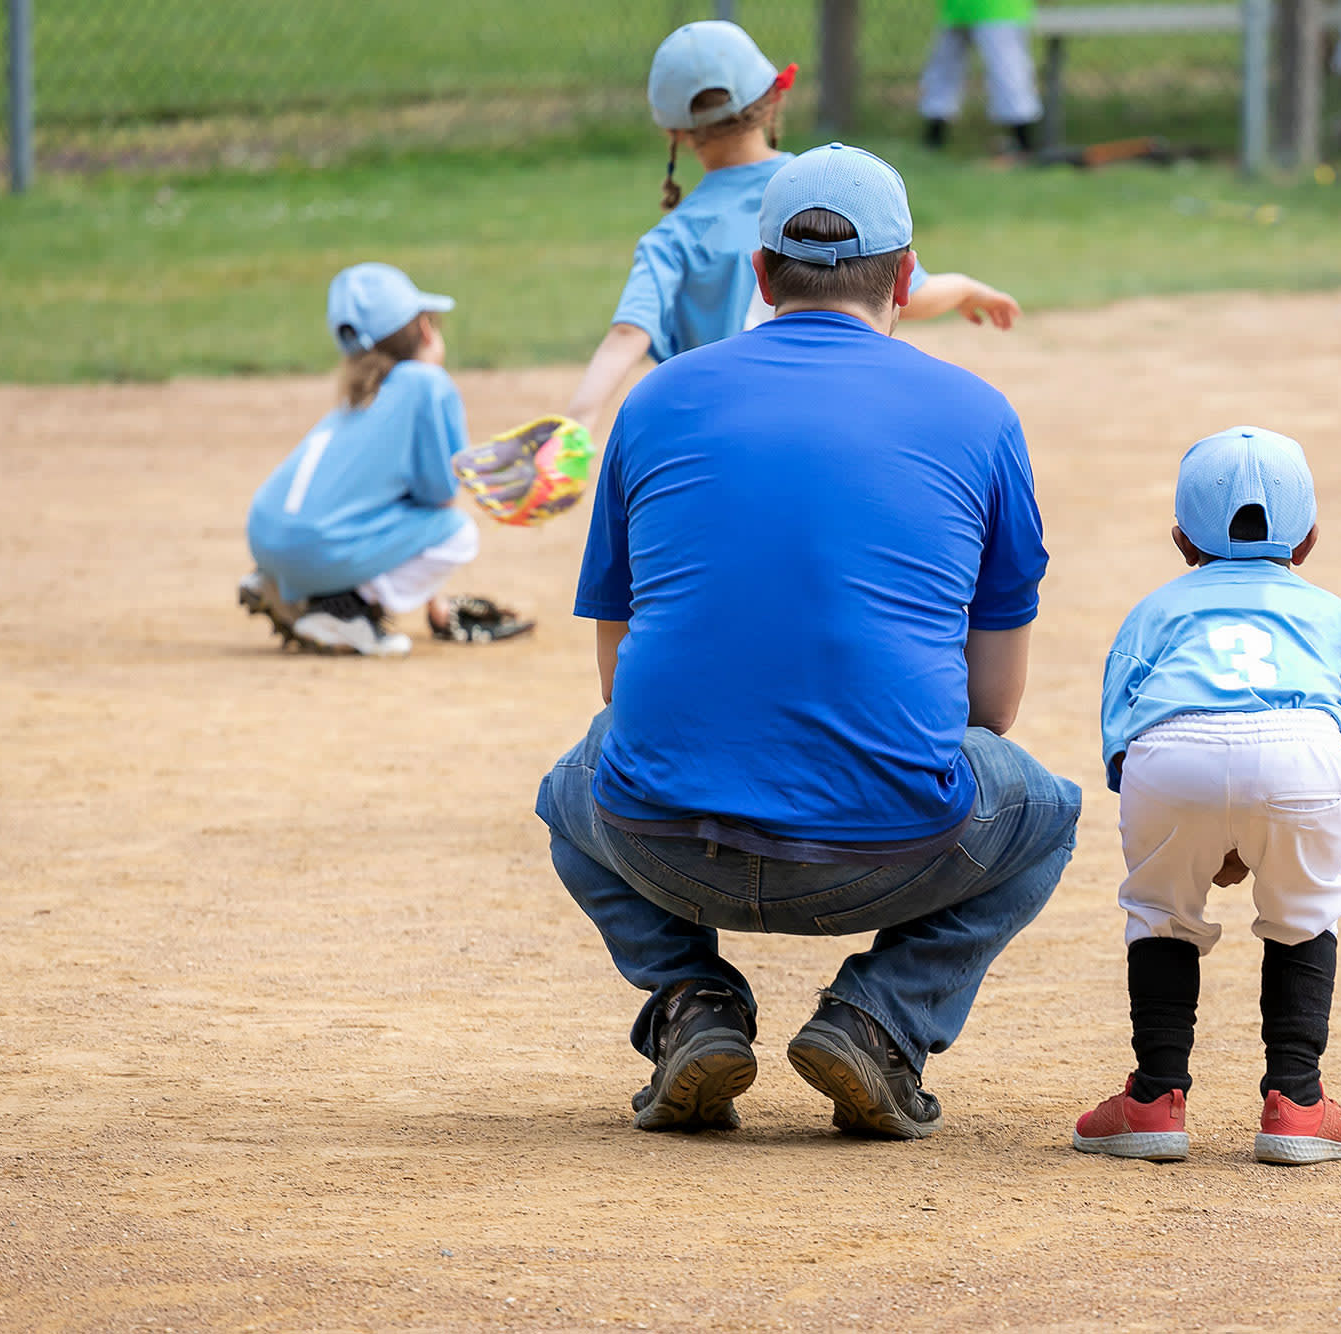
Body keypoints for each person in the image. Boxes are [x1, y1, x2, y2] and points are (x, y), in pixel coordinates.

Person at [537, 143, 1081, 1141]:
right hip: (886, 849)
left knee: (569, 785)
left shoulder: (656, 400)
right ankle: (880, 1018)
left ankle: (690, 1001)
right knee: (1043, 812)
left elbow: (619, 679)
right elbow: (988, 708)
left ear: (757, 276)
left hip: (662, 841)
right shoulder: (977, 412)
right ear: (906, 273)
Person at [1072, 427, 1341, 1165]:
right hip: (1304, 751)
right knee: (1302, 914)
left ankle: (1153, 1100)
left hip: (1171, 756)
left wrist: (1209, 837)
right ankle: (1298, 1105)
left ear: (1182, 541)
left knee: (1160, 915)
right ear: (1308, 540)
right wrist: (1267, 835)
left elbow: (1123, 746)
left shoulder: (1153, 611)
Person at [566, 20, 1023, 436]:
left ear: (675, 133)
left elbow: (629, 334)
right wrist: (963, 288)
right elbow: (908, 294)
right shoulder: (823, 194)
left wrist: (580, 419)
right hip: (819, 424)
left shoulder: (673, 238)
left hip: (715, 438)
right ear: (773, 101)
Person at [239, 263, 530, 657]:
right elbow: (439, 496)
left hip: (265, 535)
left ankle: (281, 584)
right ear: (425, 330)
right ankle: (342, 611)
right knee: (458, 533)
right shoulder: (428, 383)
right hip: (315, 547)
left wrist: (436, 604)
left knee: (360, 519)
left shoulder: (360, 392)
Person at [917, 0, 1044, 154]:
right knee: (944, 68)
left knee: (1008, 71)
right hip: (958, 8)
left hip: (999, 9)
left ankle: (1023, 141)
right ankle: (934, 135)